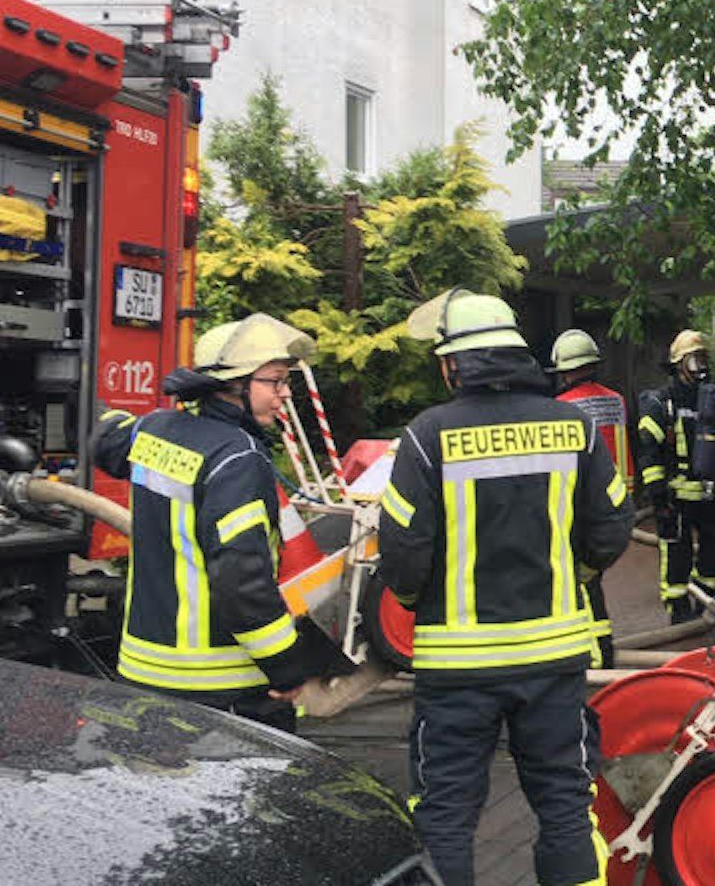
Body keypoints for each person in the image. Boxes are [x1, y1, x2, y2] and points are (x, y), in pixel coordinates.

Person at [378, 289, 631, 886]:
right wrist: (574, 578)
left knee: (444, 816)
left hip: (456, 668)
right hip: (553, 659)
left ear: (453, 364)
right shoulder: (572, 426)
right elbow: (612, 526)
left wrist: (417, 602)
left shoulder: (427, 435)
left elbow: (403, 555)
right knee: (566, 808)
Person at [90, 313, 348, 733]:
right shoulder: (238, 458)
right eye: (275, 382)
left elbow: (106, 439)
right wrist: (286, 668)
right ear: (233, 385)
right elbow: (242, 582)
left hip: (143, 672)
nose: (284, 394)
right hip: (222, 690)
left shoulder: (153, 429)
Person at [549, 327, 632, 668]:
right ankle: (602, 647)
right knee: (594, 577)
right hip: (613, 501)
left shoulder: (559, 409)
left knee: (581, 582)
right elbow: (623, 453)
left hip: (577, 506)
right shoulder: (616, 401)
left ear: (564, 370)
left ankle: (594, 655)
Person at [634, 329, 715, 622]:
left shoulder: (712, 399)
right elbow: (648, 451)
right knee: (676, 558)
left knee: (712, 556)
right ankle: (679, 612)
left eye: (703, 359)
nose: (701, 367)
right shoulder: (661, 402)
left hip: (709, 494)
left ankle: (704, 603)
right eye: (694, 360)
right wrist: (658, 495)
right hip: (676, 497)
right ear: (678, 365)